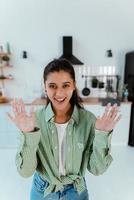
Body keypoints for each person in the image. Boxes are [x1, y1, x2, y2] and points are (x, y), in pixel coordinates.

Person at [8, 58, 121, 200]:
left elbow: (97, 169)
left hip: (76, 191)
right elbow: (25, 172)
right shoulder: (33, 121)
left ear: (73, 85)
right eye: (52, 86)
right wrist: (28, 134)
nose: (59, 93)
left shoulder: (89, 120)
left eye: (65, 85)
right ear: (45, 87)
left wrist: (102, 135)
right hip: (43, 190)